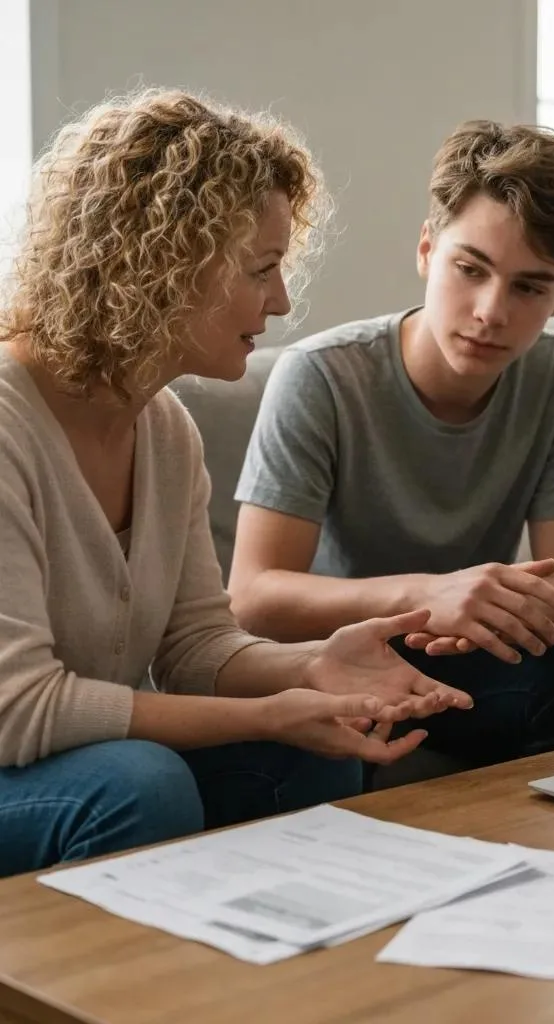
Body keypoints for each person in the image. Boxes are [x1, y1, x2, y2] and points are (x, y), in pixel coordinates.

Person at [0, 89, 472, 878]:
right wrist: (268, 713)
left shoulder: (166, 430)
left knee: (314, 752)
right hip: (20, 754)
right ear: (160, 265)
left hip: (67, 758)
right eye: (262, 269)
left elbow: (194, 646)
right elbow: (19, 708)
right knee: (139, 785)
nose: (282, 300)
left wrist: (313, 667)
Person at [227, 120, 554, 769]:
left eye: (529, 286)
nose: (491, 311)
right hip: (340, 656)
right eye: (470, 269)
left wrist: (477, 613)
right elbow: (254, 596)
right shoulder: (321, 376)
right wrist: (430, 598)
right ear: (426, 250)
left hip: (471, 656)